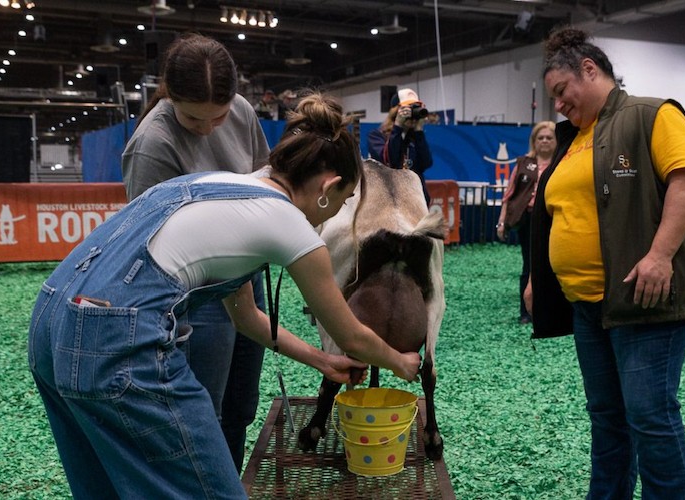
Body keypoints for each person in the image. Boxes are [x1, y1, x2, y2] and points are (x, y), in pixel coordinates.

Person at [28, 92, 423, 499]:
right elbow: (355, 336)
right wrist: (401, 362)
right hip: (114, 338)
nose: (337, 211)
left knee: (104, 489)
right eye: (344, 201)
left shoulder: (224, 184)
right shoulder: (291, 226)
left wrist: (321, 358)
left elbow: (246, 318)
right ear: (329, 186)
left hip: (50, 317)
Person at [525, 27, 685, 499]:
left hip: (643, 298)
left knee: (650, 417)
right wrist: (537, 279)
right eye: (553, 99)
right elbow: (556, 213)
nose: (558, 105)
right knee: (607, 419)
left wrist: (660, 255)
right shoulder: (574, 138)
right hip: (589, 306)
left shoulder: (651, 113)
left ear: (590, 69)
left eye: (562, 92)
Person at [121, 33, 271, 474]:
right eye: (193, 119)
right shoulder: (153, 144)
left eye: (217, 117)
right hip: (195, 299)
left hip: (246, 276)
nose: (207, 129)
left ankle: (229, 485)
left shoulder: (242, 112)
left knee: (241, 406)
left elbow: (263, 182)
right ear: (169, 95)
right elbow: (152, 248)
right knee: (203, 417)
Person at [496, 121, 556, 324]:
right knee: (529, 266)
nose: (545, 141)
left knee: (554, 264)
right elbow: (509, 194)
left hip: (554, 220)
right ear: (534, 141)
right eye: (541, 137)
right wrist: (502, 221)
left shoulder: (562, 162)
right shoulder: (523, 163)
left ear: (556, 141)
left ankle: (553, 311)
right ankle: (526, 312)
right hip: (528, 220)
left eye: (549, 137)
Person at [368, 88, 434, 205]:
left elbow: (426, 163)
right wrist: (398, 126)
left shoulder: (415, 137)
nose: (412, 114)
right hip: (388, 200)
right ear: (395, 111)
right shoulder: (377, 136)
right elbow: (389, 161)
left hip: (415, 200)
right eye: (407, 109)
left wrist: (419, 132)